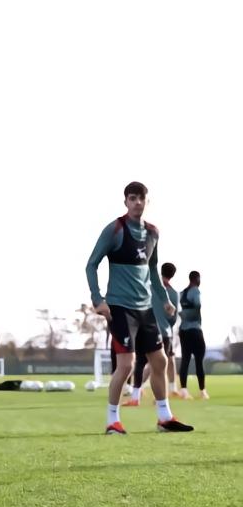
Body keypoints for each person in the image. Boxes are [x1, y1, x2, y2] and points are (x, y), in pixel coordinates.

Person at [85, 181, 193, 434]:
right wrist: (98, 299)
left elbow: (153, 270)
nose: (137, 203)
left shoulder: (153, 232)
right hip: (120, 307)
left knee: (160, 360)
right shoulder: (115, 230)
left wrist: (164, 300)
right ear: (126, 201)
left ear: (147, 201)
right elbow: (91, 264)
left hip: (146, 309)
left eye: (141, 198)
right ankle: (112, 420)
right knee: (126, 365)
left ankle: (164, 418)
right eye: (132, 198)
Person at [124, 262, 180, 406]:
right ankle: (161, 398)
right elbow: (173, 318)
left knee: (140, 363)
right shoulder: (174, 294)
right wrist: (166, 324)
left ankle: (135, 397)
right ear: (173, 275)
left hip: (145, 330)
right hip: (165, 333)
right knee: (161, 366)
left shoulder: (148, 287)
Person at [179, 271, 208, 399]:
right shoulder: (195, 291)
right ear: (196, 279)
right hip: (195, 330)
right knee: (199, 361)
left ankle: (184, 390)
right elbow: (198, 304)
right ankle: (202, 391)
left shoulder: (182, 293)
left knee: (185, 360)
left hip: (183, 330)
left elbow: (179, 310)